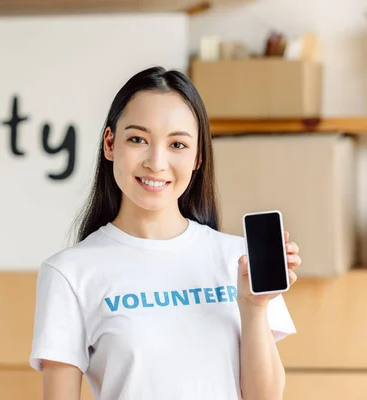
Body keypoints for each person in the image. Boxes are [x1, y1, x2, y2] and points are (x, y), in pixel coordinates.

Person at [28, 66, 301, 400]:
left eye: (178, 144)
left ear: (198, 156)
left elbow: (265, 398)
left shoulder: (238, 260)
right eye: (138, 139)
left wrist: (254, 307)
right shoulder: (69, 273)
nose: (156, 162)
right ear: (110, 143)